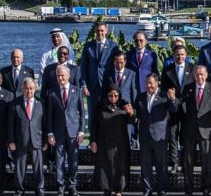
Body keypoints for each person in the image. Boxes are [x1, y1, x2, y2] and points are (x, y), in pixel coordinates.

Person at [179, 66, 211, 196]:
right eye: (197, 75)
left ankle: (206, 187)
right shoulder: (187, 88)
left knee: (207, 161)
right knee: (188, 161)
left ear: (206, 75)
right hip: (189, 130)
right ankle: (188, 188)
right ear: (193, 76)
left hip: (207, 130)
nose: (200, 77)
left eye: (202, 74)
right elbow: (182, 108)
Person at [46, 65, 85, 196]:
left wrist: (81, 131)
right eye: (58, 75)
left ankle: (72, 185)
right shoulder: (51, 92)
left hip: (74, 132)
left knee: (74, 160)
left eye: (62, 75)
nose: (60, 78)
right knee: (59, 160)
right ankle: (61, 186)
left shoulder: (77, 90)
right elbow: (49, 115)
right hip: (58, 132)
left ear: (68, 76)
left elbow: (82, 112)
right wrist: (50, 132)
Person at [134, 73, 174, 196]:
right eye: (147, 83)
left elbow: (174, 110)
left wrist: (172, 99)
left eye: (151, 82)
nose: (148, 85)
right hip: (145, 135)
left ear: (157, 83)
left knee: (161, 164)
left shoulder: (164, 96)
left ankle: (162, 188)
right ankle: (147, 189)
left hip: (159, 136)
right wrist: (131, 113)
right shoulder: (140, 97)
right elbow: (136, 114)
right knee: (145, 164)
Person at [89, 84, 134, 196]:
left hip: (120, 144)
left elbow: (132, 121)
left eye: (116, 95)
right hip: (104, 142)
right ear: (106, 95)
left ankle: (119, 190)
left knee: (120, 167)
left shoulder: (124, 105)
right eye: (110, 96)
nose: (113, 98)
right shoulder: (100, 106)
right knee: (105, 167)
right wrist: (93, 140)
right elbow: (94, 125)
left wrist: (131, 113)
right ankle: (107, 189)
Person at [8, 78, 46, 196]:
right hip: (20, 141)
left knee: (38, 169)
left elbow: (45, 123)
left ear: (35, 89)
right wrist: (11, 141)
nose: (29, 91)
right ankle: (19, 191)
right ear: (22, 89)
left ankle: (40, 190)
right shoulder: (15, 103)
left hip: (37, 141)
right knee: (19, 168)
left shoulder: (41, 103)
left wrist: (45, 141)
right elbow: (10, 124)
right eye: (26, 88)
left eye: (31, 88)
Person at [160, 45, 194, 173]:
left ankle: (186, 164)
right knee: (173, 137)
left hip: (187, 108)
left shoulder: (192, 68)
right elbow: (163, 90)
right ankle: (174, 164)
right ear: (173, 55)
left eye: (182, 54)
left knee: (186, 137)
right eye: (177, 54)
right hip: (172, 107)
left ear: (186, 55)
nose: (180, 57)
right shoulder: (167, 70)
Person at [80, 22, 118, 130]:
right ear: (95, 31)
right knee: (93, 114)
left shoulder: (113, 46)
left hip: (107, 86)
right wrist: (84, 84)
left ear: (106, 31)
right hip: (92, 86)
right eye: (97, 31)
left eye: (102, 30)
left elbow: (117, 65)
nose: (100, 33)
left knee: (108, 113)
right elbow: (83, 67)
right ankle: (92, 141)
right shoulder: (88, 46)